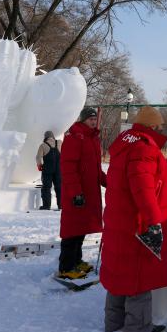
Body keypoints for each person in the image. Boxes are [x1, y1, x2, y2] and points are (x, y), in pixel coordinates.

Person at [100, 105, 167, 332]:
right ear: (152, 126)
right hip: (136, 222)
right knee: (138, 276)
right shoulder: (143, 148)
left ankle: (113, 322)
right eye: (159, 125)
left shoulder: (124, 146)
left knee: (118, 273)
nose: (161, 129)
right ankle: (138, 327)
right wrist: (153, 222)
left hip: (118, 220)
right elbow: (143, 190)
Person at [58, 107, 106, 280]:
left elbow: (96, 169)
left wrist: (110, 182)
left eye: (95, 119)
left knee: (81, 229)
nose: (93, 122)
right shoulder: (75, 137)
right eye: (90, 119)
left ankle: (77, 261)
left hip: (89, 192)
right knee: (72, 231)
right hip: (76, 194)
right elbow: (68, 168)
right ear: (83, 120)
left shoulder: (92, 138)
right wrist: (76, 192)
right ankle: (66, 266)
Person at [36, 131, 62, 210]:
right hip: (59, 169)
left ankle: (46, 206)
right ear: (53, 136)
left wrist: (39, 165)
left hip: (47, 170)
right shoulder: (60, 142)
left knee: (46, 187)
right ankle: (61, 205)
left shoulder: (43, 145)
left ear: (45, 137)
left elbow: (38, 158)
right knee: (59, 187)